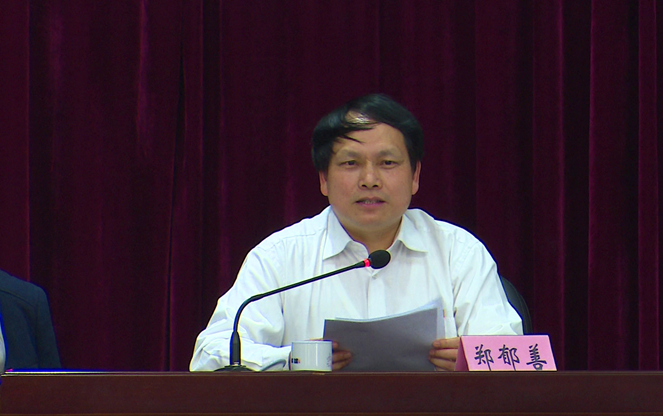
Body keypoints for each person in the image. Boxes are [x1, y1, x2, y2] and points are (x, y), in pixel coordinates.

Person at [190, 94, 522, 372]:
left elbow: (520, 360)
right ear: (324, 178)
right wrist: (294, 359)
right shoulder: (280, 257)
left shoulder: (457, 253)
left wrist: (473, 359)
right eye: (351, 164)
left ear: (415, 176)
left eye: (387, 163)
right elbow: (210, 356)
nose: (370, 180)